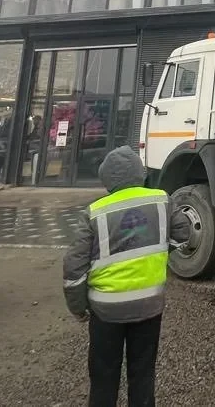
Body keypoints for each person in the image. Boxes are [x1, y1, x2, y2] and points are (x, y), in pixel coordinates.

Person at [62, 146, 191, 407]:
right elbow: (184, 233)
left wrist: (79, 308)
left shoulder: (94, 212)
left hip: (105, 311)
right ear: (139, 173)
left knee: (103, 376)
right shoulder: (161, 200)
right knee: (143, 373)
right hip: (149, 306)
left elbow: (74, 268)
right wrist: (163, 253)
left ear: (107, 179)